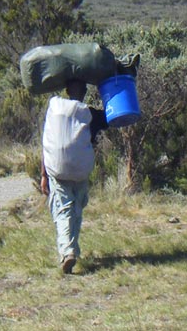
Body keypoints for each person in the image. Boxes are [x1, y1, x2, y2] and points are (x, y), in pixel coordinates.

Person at [39, 79, 108, 274]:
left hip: (58, 168)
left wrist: (43, 174)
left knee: (63, 209)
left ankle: (67, 251)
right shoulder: (89, 113)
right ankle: (72, 250)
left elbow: (47, 143)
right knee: (76, 208)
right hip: (80, 168)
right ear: (85, 91)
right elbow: (112, 117)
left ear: (67, 90)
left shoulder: (55, 108)